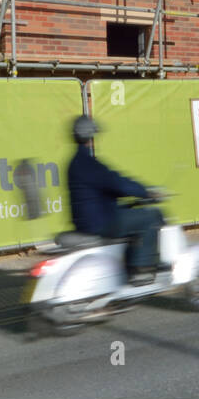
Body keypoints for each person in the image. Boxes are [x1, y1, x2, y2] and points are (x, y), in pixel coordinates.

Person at [66, 115, 165, 285]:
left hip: (86, 221)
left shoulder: (73, 164)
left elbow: (98, 190)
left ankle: (127, 265)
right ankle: (141, 269)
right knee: (152, 216)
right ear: (91, 137)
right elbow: (118, 183)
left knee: (132, 216)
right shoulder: (89, 164)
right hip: (102, 222)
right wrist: (146, 192)